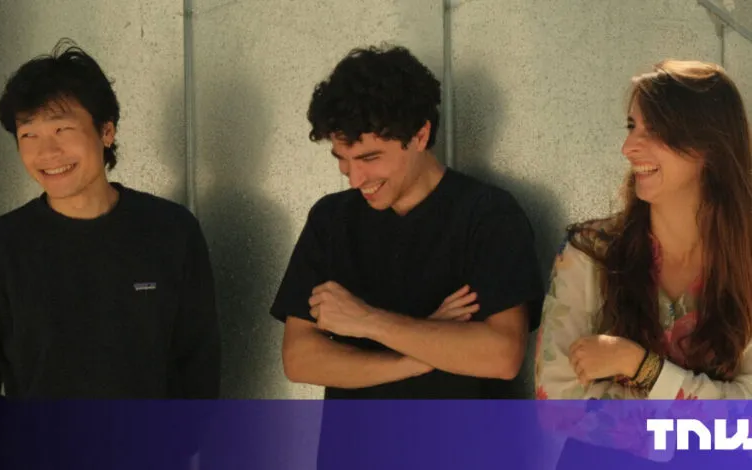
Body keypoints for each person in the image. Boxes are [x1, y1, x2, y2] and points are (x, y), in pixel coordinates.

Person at [270, 44, 544, 399]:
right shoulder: (330, 219)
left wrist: (366, 321)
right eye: (342, 159)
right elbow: (300, 360)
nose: (354, 178)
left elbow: (502, 355)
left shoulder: (488, 215)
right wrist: (415, 357)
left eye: (369, 158)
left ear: (420, 135)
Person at [0, 39, 220, 399]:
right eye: (29, 134)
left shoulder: (171, 230)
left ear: (106, 131)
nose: (47, 152)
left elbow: (199, 363)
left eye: (62, 129)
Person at [535, 60, 752, 466]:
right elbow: (557, 403)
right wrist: (692, 422)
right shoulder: (589, 252)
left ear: (708, 145)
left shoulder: (746, 262)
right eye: (632, 126)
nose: (628, 147)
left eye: (654, 131)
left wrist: (639, 365)